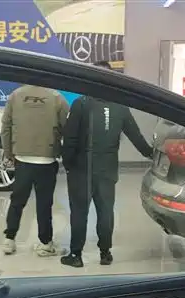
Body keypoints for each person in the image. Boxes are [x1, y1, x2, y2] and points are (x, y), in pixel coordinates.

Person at [60, 61, 153, 268]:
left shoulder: (81, 104)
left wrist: (68, 164)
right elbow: (136, 136)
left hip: (81, 170)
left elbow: (70, 139)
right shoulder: (120, 107)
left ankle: (76, 255)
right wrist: (152, 154)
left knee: (79, 212)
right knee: (105, 211)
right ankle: (105, 253)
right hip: (108, 169)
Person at [0, 84, 69, 256]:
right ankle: (45, 243)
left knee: (17, 201)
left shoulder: (15, 95)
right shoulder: (57, 98)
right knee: (44, 204)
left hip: (22, 158)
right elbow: (68, 129)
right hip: (47, 159)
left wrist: (8, 153)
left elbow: (6, 126)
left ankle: (9, 239)